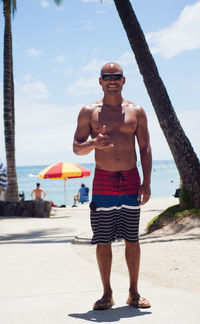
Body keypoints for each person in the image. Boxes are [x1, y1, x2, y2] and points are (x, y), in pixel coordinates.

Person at [73, 62, 152, 310]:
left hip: (130, 178)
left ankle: (134, 292)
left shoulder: (136, 111)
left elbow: (145, 148)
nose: (112, 80)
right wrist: (93, 143)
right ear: (100, 81)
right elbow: (77, 147)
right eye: (107, 77)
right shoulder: (88, 111)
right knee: (103, 239)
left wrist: (146, 182)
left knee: (132, 238)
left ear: (124, 79)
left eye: (116, 76)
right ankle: (107, 293)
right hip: (104, 180)